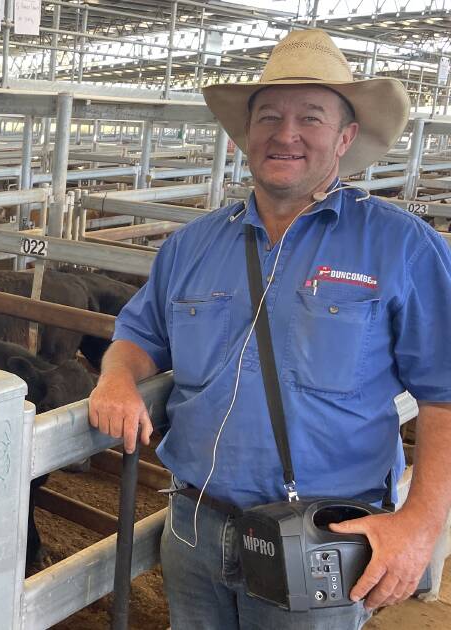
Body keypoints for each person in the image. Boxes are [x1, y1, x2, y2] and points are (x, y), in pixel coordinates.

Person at [88, 29, 451, 629]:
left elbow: (445, 388)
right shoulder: (191, 245)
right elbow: (139, 335)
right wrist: (118, 380)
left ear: (345, 138)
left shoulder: (401, 245)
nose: (286, 134)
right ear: (244, 134)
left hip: (322, 536)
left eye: (311, 117)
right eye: (269, 117)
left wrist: (419, 523)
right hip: (196, 526)